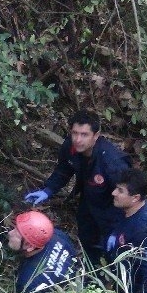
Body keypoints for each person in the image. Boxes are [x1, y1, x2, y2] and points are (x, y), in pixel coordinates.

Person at [25, 110, 130, 268]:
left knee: (113, 253)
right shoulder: (70, 146)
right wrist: (48, 190)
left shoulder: (112, 162)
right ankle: (91, 273)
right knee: (88, 244)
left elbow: (128, 196)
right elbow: (64, 169)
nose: (78, 140)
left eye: (84, 134)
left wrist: (120, 228)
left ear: (96, 135)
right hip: (88, 202)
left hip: (112, 210)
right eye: (75, 133)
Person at [7, 210, 78, 293]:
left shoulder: (28, 282)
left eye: (16, 235)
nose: (10, 233)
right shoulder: (57, 234)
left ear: (29, 246)